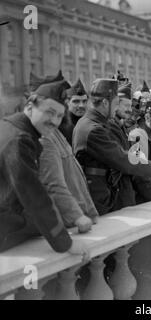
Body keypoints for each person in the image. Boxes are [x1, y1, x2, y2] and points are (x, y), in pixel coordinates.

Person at [0, 72, 89, 260]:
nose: (54, 121)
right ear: (30, 106)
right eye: (49, 112)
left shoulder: (14, 127)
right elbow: (32, 193)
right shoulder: (19, 139)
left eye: (59, 115)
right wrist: (65, 243)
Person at [73, 79, 151, 215]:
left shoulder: (96, 124)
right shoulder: (92, 129)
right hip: (100, 200)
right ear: (105, 103)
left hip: (104, 196)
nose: (117, 109)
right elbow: (122, 159)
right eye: (116, 104)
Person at [59, 78, 88, 145]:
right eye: (76, 101)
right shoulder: (62, 126)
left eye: (84, 101)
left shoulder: (90, 123)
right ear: (67, 102)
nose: (81, 105)